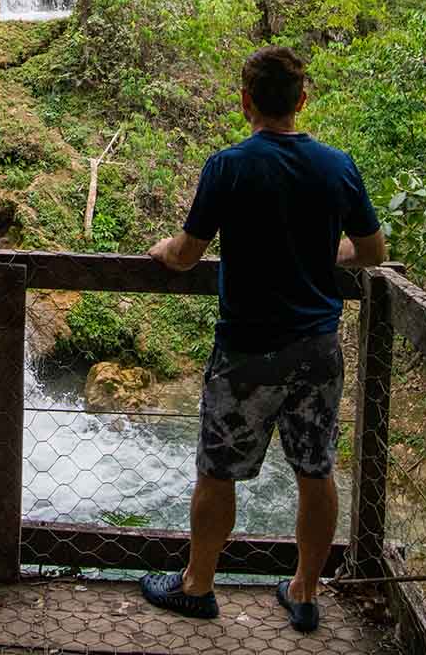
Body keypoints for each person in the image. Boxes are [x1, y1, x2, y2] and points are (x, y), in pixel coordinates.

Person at [140, 45, 386, 633]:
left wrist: (161, 252)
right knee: (316, 469)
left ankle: (199, 585)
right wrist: (327, 252)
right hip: (318, 350)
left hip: (247, 349)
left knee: (217, 472)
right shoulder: (337, 166)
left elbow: (185, 254)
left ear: (245, 100)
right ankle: (304, 591)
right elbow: (373, 253)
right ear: (303, 101)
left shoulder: (229, 165)